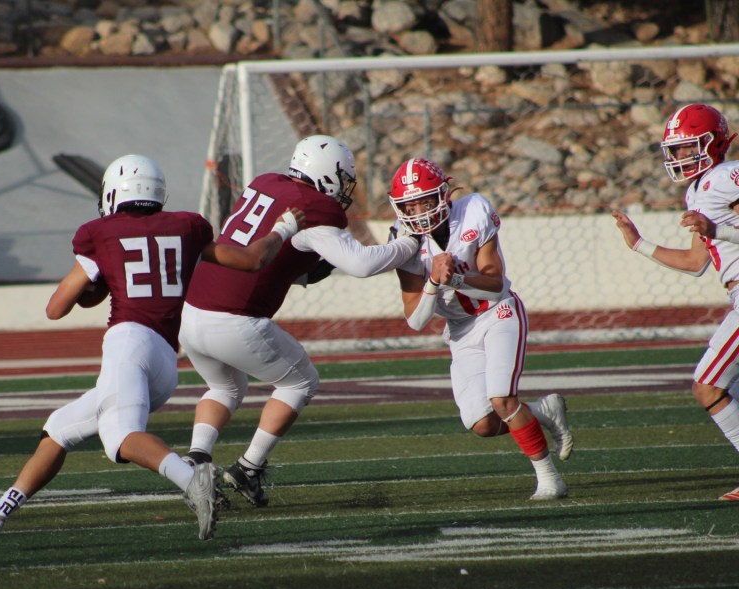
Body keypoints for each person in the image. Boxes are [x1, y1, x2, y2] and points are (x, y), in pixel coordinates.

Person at [0, 154, 303, 541]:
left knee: (119, 438)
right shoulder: (187, 226)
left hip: (129, 344)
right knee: (59, 429)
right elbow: (252, 260)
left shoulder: (99, 231)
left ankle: (192, 478)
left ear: (115, 192)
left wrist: (95, 280)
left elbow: (56, 308)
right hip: (166, 359)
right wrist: (284, 228)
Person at [179, 134, 422, 507]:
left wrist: (312, 270)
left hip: (192, 314)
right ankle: (249, 467)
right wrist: (408, 242)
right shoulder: (313, 209)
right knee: (301, 382)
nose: (343, 190)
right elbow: (362, 264)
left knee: (225, 388)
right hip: (234, 320)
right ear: (327, 175)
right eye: (341, 179)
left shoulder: (265, 184)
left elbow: (286, 262)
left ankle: (196, 458)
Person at [388, 157, 574, 501]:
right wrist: (432, 281)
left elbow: (495, 284)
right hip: (460, 329)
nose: (418, 212)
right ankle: (543, 412)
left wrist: (457, 277)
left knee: (502, 400)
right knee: (483, 424)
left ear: (444, 195)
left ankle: (549, 479)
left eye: (425, 200)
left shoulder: (473, 209)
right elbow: (415, 320)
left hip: (498, 312)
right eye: (409, 204)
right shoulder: (404, 242)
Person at [611, 103, 739, 501]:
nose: (681, 157)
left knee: (708, 386)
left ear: (714, 143)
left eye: (688, 148)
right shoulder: (698, 189)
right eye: (677, 149)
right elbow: (696, 261)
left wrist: (716, 227)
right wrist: (639, 245)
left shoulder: (724, 178)